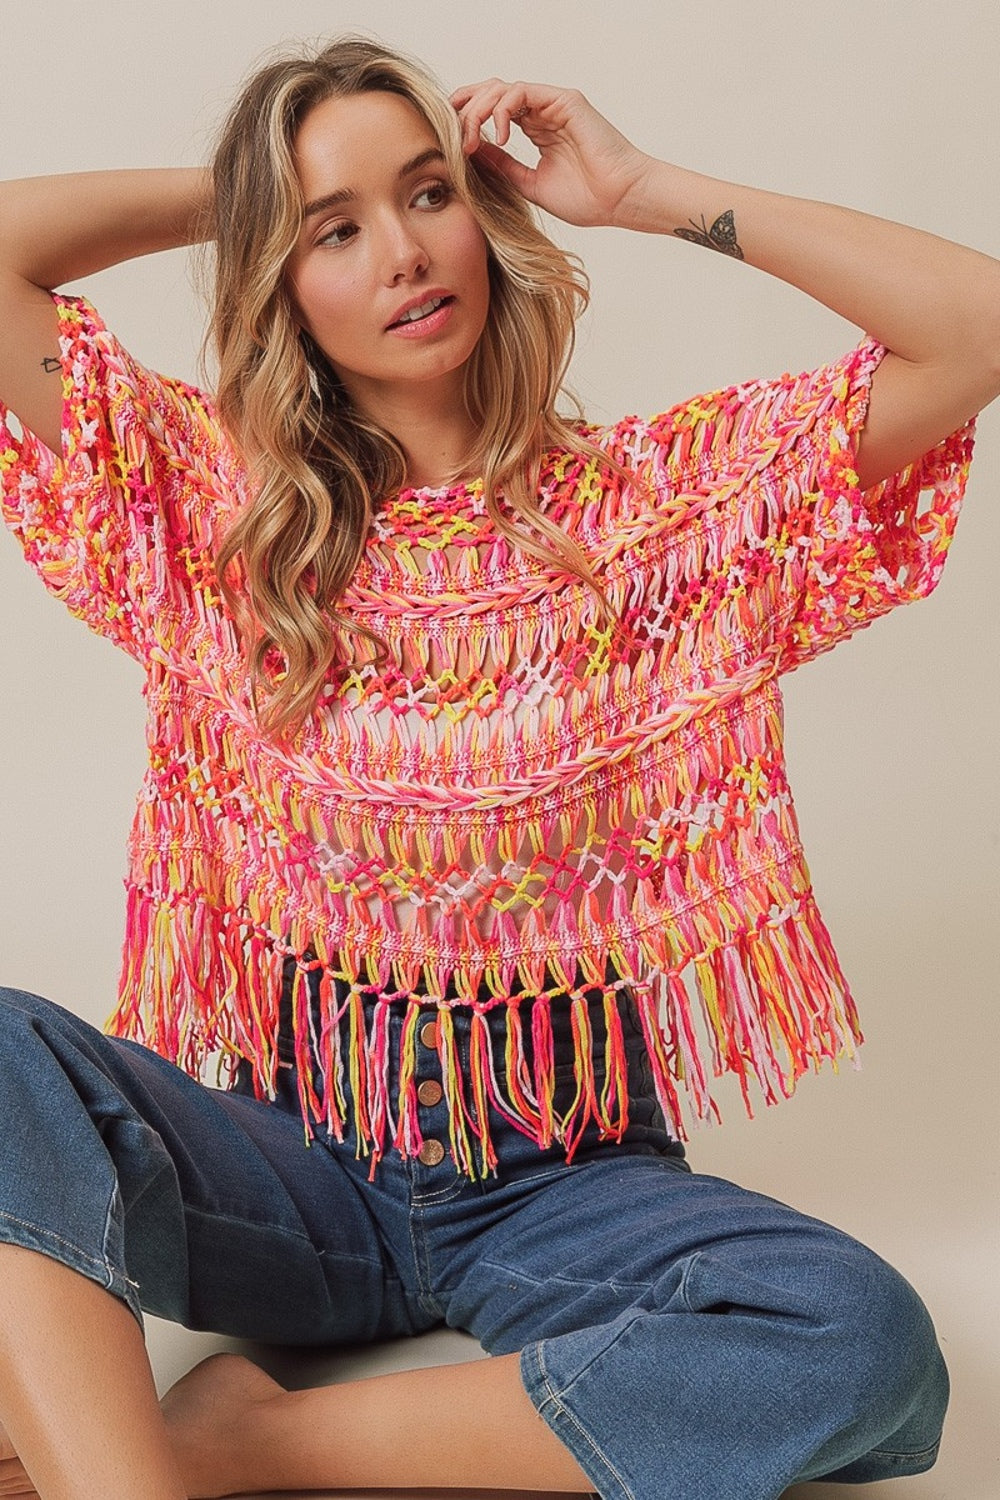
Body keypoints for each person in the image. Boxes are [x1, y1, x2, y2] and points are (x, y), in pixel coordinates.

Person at [0, 34, 997, 1500]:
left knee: (860, 1347)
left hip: (562, 1178)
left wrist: (647, 188)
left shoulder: (659, 520)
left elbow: (975, 327)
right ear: (282, 278)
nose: (403, 253)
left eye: (426, 194)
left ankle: (244, 1445)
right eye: (335, 230)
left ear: (484, 207)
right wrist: (246, 189)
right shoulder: (213, 505)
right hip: (288, 1161)